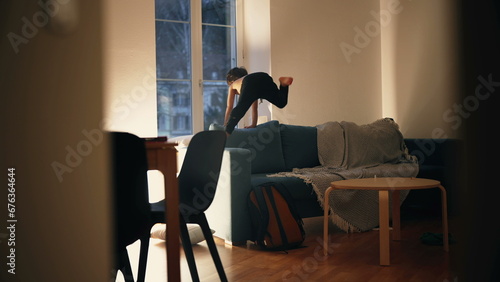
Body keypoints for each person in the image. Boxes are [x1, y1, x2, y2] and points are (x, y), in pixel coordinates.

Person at [223, 67, 293, 135]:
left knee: (239, 110)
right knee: (281, 102)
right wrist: (253, 124)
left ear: (231, 82)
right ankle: (283, 84)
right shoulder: (250, 88)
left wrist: (225, 123)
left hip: (251, 82)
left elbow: (229, 106)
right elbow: (254, 109)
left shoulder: (233, 85)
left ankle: (226, 134)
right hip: (264, 77)